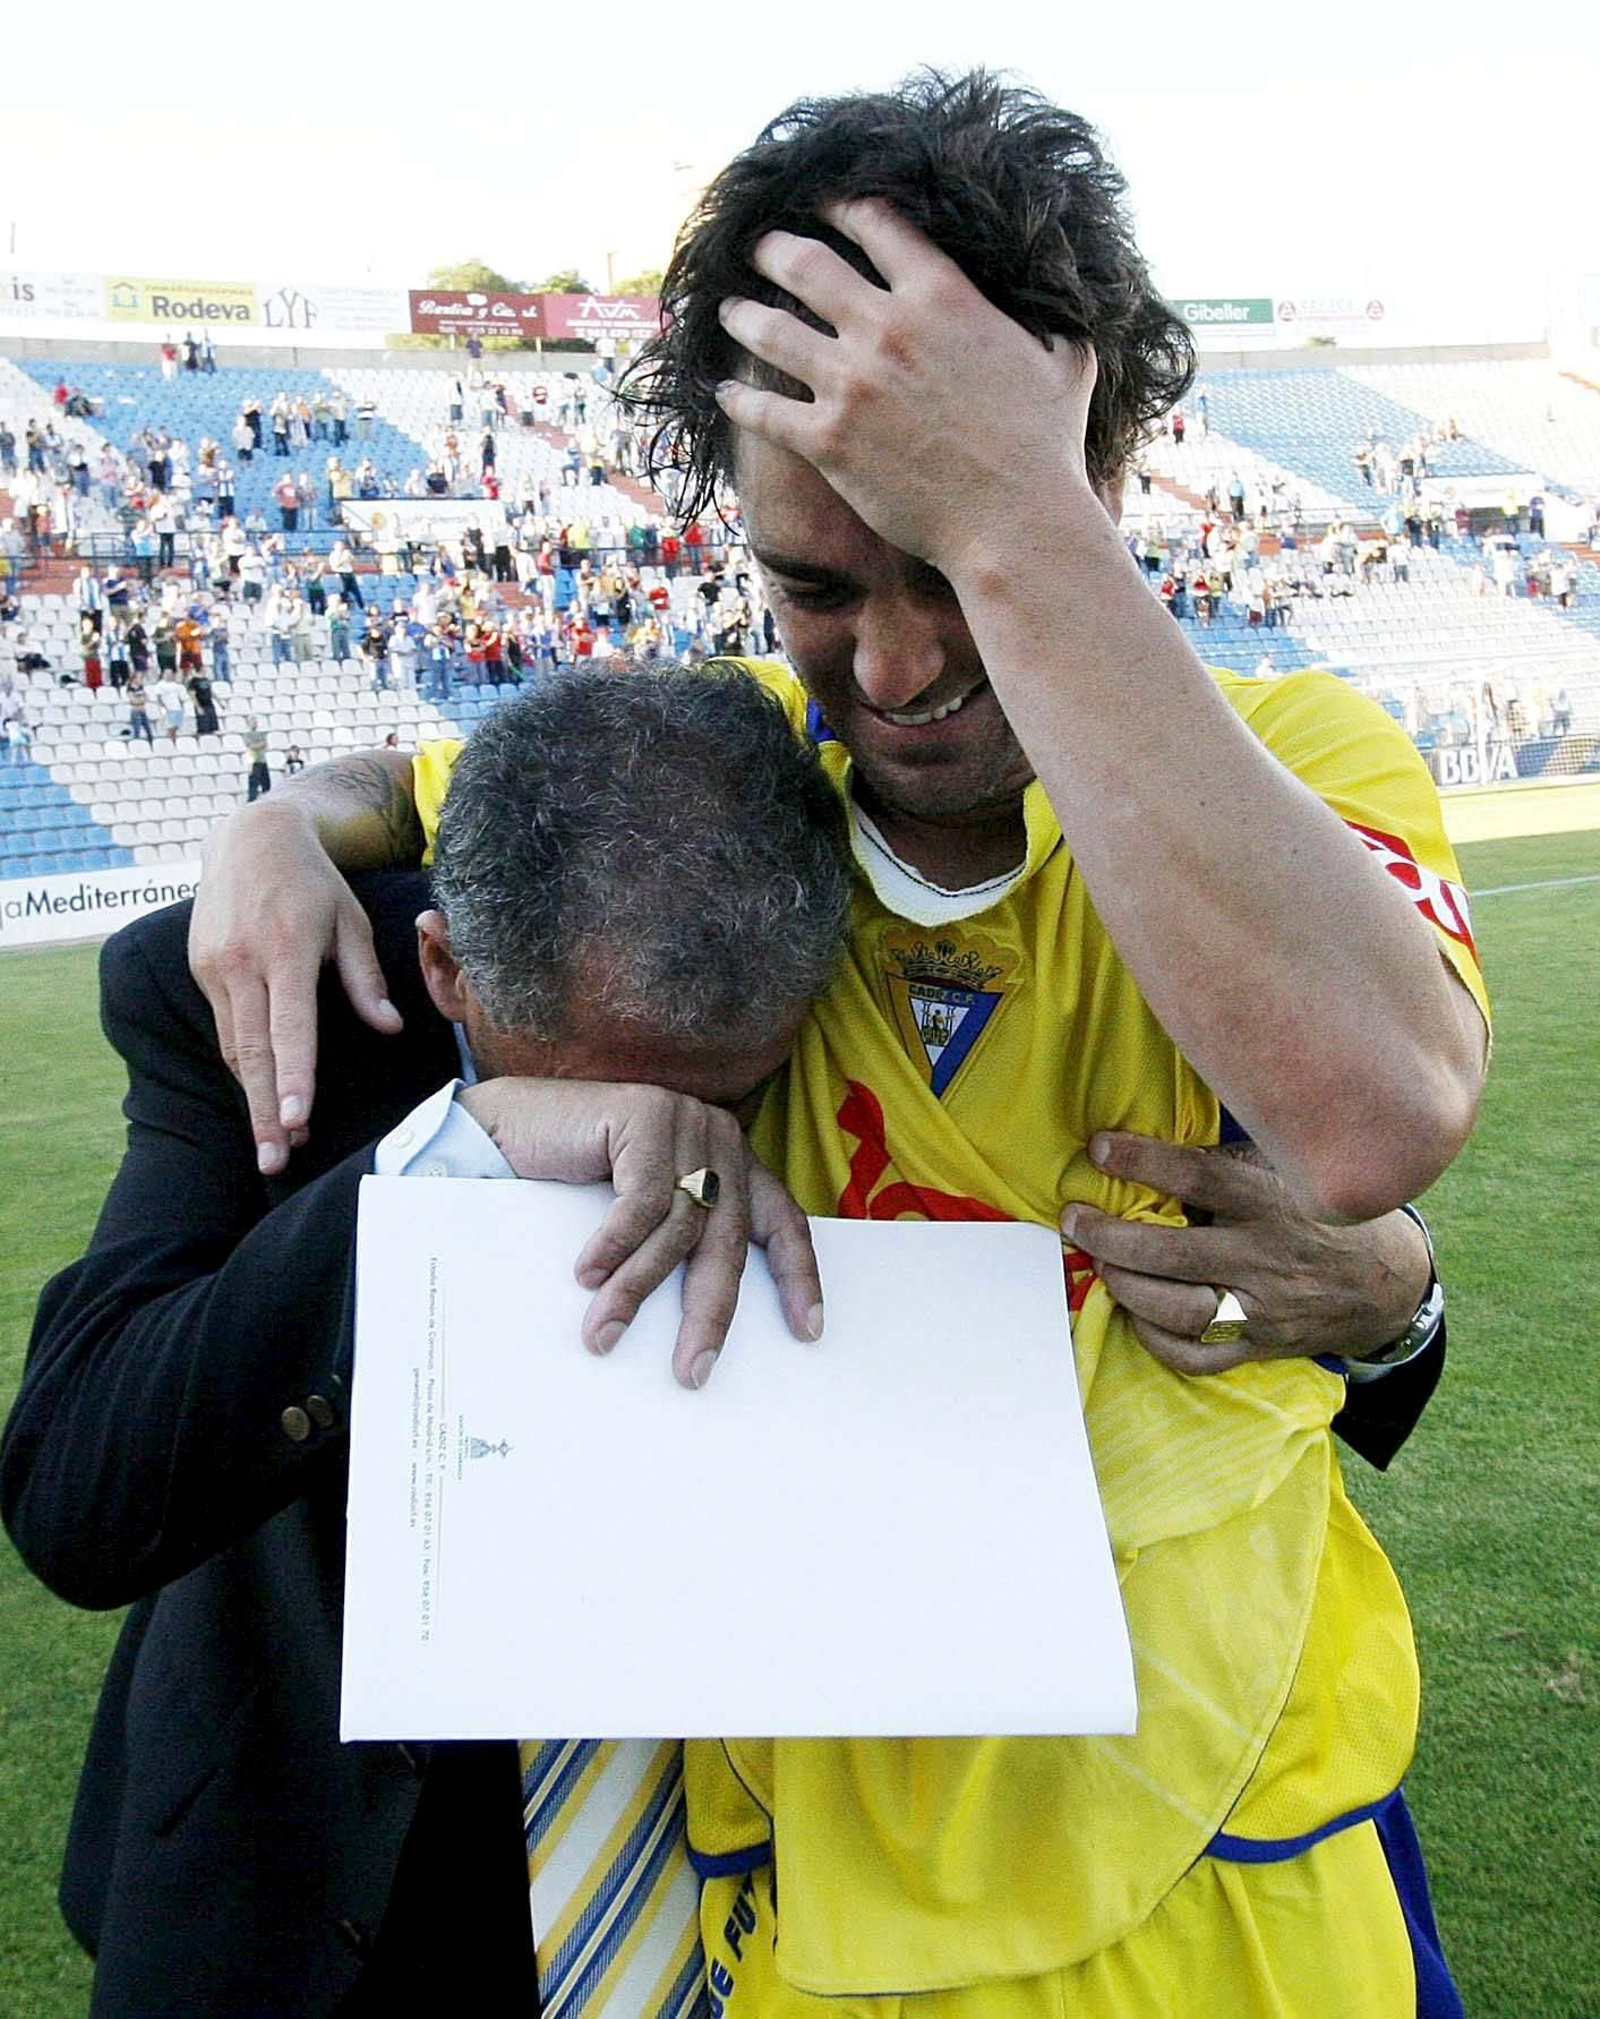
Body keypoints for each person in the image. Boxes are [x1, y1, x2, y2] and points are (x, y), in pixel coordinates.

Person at [184, 72, 1484, 2018]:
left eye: (950, 564)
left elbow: (1375, 1106)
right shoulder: (721, 776)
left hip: (1215, 1887)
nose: (884, 667)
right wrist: (280, 821)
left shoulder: (1294, 764)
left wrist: (1014, 519)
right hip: (782, 1902)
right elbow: (435, 774)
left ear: (1093, 481)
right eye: (812, 583)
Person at [3, 671, 853, 2016]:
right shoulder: (261, 1003)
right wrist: (452, 1155)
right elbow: (80, 1494)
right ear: (447, 962)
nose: (658, 1143)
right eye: (597, 1077)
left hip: (751, 1892)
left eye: (729, 1089)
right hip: (303, 1881)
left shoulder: (873, 1008)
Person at [244, 717, 270, 800]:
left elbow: (264, 744)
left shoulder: (261, 734)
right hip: (253, 761)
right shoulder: (247, 735)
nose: (255, 724)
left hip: (262, 760)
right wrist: (259, 745)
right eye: (252, 722)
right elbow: (251, 746)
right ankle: (252, 799)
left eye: (255, 722)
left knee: (266, 782)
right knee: (253, 783)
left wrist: (258, 745)